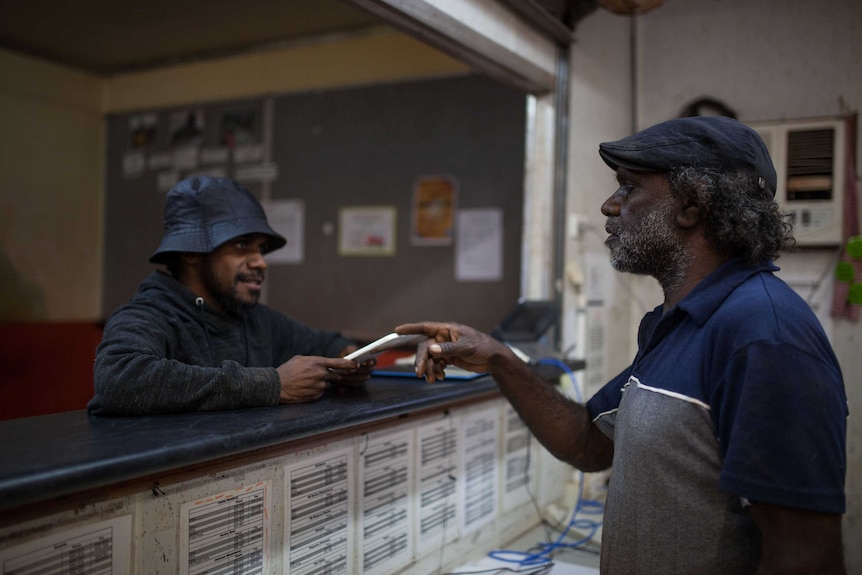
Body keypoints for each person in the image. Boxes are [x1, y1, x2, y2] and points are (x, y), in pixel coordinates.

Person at [396, 116, 848, 574]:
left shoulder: (763, 335)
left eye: (628, 188)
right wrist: (498, 358)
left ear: (691, 205)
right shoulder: (677, 324)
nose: (609, 207)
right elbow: (588, 443)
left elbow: (806, 554)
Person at [89, 175, 372, 416]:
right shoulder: (149, 314)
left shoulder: (257, 320)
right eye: (241, 244)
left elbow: (326, 342)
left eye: (260, 248)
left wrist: (348, 359)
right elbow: (119, 378)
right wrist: (273, 385)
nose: (260, 261)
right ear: (190, 252)